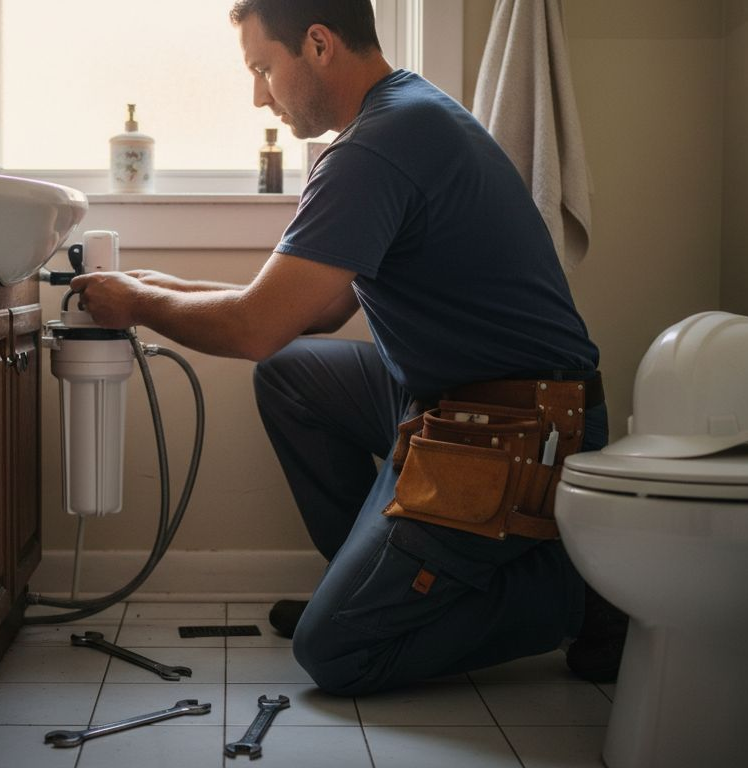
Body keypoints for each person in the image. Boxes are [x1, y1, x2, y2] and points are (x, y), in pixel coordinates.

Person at [70, 0, 623, 694]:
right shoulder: (405, 113)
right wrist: (163, 284)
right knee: (291, 375)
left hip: (521, 431)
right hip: (458, 403)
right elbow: (315, 311)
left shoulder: (373, 149)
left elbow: (253, 327)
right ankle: (374, 584)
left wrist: (141, 303)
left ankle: (574, 595)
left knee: (334, 653)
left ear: (321, 45)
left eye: (264, 68)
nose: (257, 95)